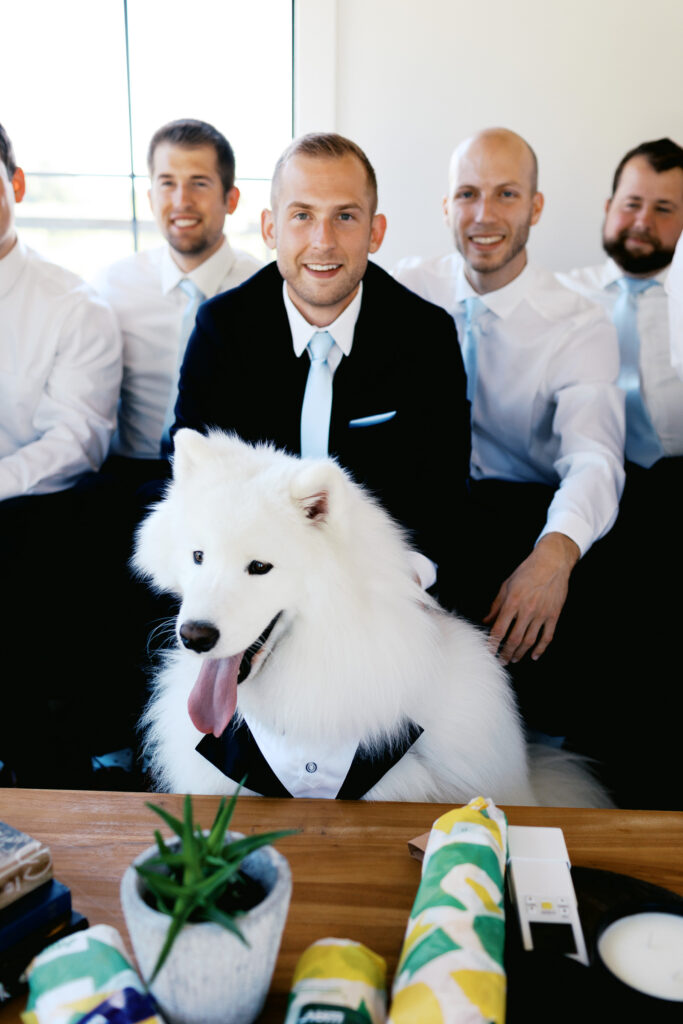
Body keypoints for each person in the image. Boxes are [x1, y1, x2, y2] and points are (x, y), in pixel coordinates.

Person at [171, 132, 471, 596]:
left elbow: (443, 491)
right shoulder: (222, 328)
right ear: (271, 228)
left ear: (376, 231)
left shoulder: (426, 336)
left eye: (345, 217)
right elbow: (190, 472)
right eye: (302, 215)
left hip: (378, 578)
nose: (322, 241)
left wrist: (405, 579)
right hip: (246, 574)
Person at [395, 128, 624, 673]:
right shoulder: (404, 288)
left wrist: (555, 554)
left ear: (536, 207)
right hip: (423, 505)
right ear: (447, 205)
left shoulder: (580, 321)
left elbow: (594, 458)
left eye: (506, 194)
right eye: (468, 194)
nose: (484, 215)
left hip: (522, 509)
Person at [557, 138, 683, 809]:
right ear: (607, 207)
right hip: (593, 494)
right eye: (631, 203)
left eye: (664, 209)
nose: (642, 221)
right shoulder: (564, 296)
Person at [0, 121, 122, 786]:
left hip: (33, 517)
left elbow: (76, 443)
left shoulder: (74, 307)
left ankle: (41, 781)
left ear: (15, 184)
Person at [93, 118, 263, 479]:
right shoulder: (113, 285)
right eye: (167, 184)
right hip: (125, 474)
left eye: (199, 183)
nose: (181, 201)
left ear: (230, 199)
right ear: (151, 197)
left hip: (228, 480)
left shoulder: (263, 290)